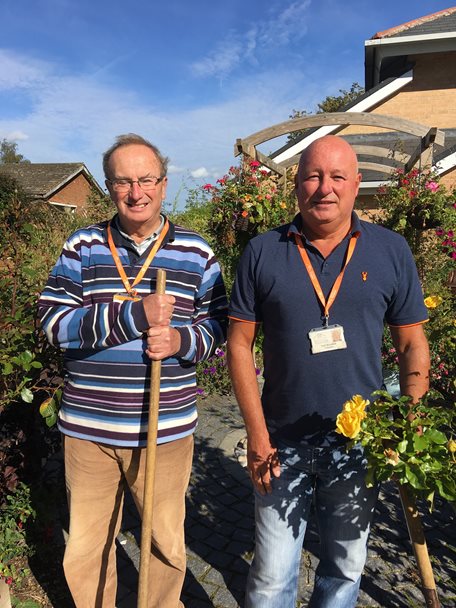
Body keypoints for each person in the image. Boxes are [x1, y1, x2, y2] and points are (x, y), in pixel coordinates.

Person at [227, 135, 430, 608]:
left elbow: (412, 341)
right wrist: (256, 434)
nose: (325, 188)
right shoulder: (263, 251)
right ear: (295, 185)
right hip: (280, 442)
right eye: (313, 176)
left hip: (359, 444)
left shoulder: (390, 250)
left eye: (338, 176)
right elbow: (239, 346)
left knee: (344, 569)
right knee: (272, 575)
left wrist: (408, 421)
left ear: (357, 184)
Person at [38, 133, 228, 607]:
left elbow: (220, 326)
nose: (136, 191)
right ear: (109, 188)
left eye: (146, 179)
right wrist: (133, 317)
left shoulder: (195, 252)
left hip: (163, 430)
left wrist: (183, 340)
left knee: (164, 539)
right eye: (123, 181)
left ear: (164, 184)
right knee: (86, 543)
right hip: (89, 428)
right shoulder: (82, 246)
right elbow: (53, 324)